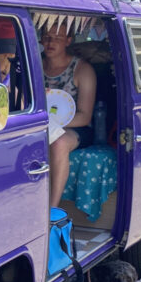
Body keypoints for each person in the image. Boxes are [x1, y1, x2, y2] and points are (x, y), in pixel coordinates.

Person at [41, 22, 97, 208]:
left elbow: (85, 116)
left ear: (68, 41)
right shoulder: (34, 64)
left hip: (75, 128)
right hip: (39, 125)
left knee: (58, 143)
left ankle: (51, 210)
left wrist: (54, 124)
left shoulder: (82, 70)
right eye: (47, 37)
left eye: (57, 38)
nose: (51, 42)